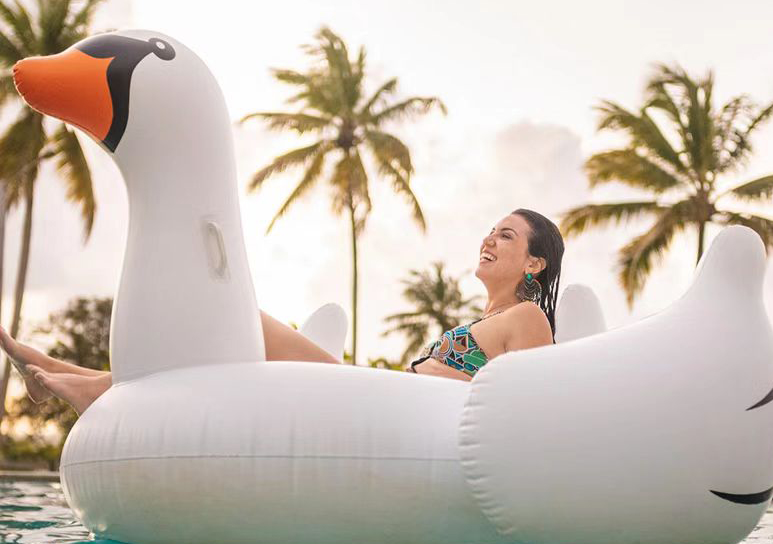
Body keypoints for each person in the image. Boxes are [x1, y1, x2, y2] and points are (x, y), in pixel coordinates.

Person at [0, 208, 563, 416]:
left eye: (506, 235)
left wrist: (443, 375)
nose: (488, 238)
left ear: (534, 263)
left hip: (386, 405)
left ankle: (81, 383)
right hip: (388, 394)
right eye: (488, 229)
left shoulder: (529, 319)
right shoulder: (484, 320)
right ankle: (78, 377)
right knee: (239, 331)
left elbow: (532, 408)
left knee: (244, 321)